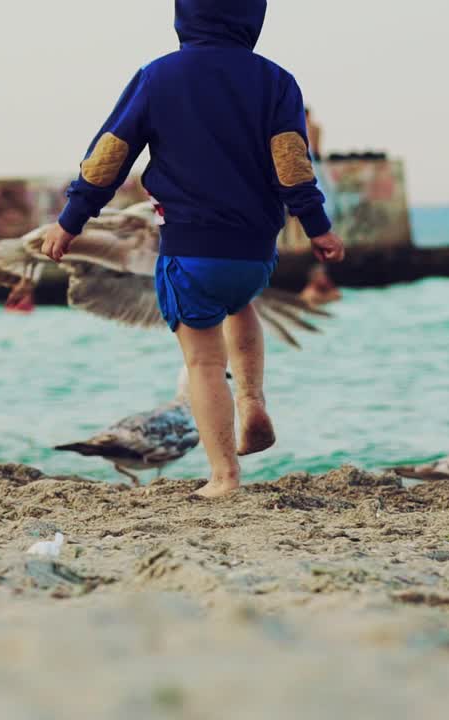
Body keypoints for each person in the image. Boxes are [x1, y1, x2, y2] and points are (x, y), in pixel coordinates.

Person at [41, 0, 345, 498]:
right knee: (239, 304)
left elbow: (110, 154)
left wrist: (71, 221)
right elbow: (292, 162)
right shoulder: (276, 81)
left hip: (190, 246)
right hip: (254, 251)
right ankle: (251, 401)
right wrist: (318, 227)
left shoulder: (159, 76)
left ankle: (224, 475)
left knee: (203, 363)